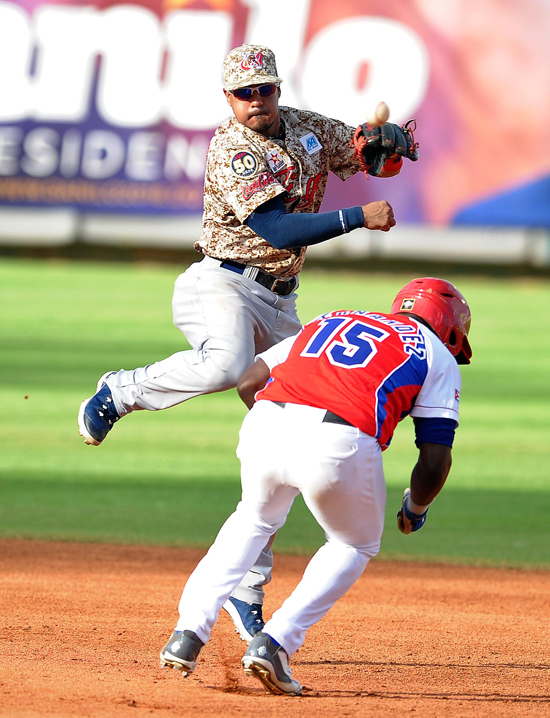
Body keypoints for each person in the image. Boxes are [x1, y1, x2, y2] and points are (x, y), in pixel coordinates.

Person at [77, 44, 410, 642]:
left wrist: (385, 146)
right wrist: (360, 215)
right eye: (244, 93)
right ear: (227, 99)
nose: (256, 102)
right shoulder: (233, 148)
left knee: (286, 435)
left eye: (265, 90)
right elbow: (277, 227)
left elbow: (358, 149)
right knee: (228, 363)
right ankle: (122, 392)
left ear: (278, 89)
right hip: (222, 282)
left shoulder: (303, 125)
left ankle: (245, 588)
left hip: (281, 299)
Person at [158, 277, 472, 696]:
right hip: (340, 440)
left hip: (266, 421)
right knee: (353, 545)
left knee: (253, 518)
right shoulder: (436, 355)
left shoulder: (333, 318)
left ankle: (186, 634)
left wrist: (283, 425)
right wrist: (414, 509)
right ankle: (275, 643)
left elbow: (250, 381)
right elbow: (434, 459)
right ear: (452, 329)